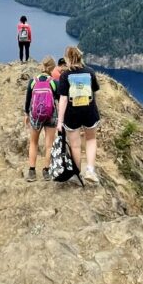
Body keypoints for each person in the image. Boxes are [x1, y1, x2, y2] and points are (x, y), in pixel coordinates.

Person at [55, 45, 101, 185]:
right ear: (80, 57)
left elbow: (63, 99)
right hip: (89, 111)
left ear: (68, 59)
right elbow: (94, 90)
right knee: (91, 140)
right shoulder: (90, 72)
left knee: (75, 145)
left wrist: (59, 121)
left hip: (72, 113)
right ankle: (90, 170)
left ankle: (77, 173)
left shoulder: (65, 75)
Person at [23, 56, 58, 182]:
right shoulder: (53, 82)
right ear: (52, 68)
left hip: (36, 115)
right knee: (49, 145)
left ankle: (32, 172)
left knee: (34, 142)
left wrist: (26, 114)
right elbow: (58, 99)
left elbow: (28, 100)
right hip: (51, 115)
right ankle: (46, 172)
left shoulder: (33, 81)